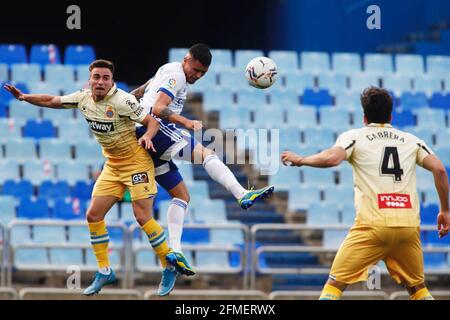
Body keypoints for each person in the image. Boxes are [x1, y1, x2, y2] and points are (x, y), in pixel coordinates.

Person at [4, 59, 174, 296]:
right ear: (90, 79)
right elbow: (53, 100)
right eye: (97, 77)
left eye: (106, 78)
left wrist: (147, 136)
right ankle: (105, 271)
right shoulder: (83, 98)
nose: (101, 82)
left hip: (136, 164)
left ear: (111, 81)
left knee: (142, 216)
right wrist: (24, 97)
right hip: (113, 166)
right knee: (93, 214)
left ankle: (168, 266)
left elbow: (152, 120)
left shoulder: (123, 101)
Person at [131, 43, 274, 296]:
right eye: (196, 69)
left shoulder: (168, 69)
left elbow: (143, 91)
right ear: (187, 60)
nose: (197, 75)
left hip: (144, 138)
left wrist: (125, 103)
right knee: (206, 153)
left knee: (182, 196)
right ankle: (242, 194)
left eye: (202, 73)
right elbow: (157, 108)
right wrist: (185, 120)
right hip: (151, 128)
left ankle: (174, 253)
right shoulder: (177, 75)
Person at [281, 87, 450, 300]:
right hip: (407, 227)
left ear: (364, 117)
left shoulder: (355, 137)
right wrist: (445, 210)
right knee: (418, 289)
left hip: (372, 226)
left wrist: (302, 159)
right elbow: (440, 170)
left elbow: (332, 159)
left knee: (334, 286)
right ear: (390, 116)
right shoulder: (411, 140)